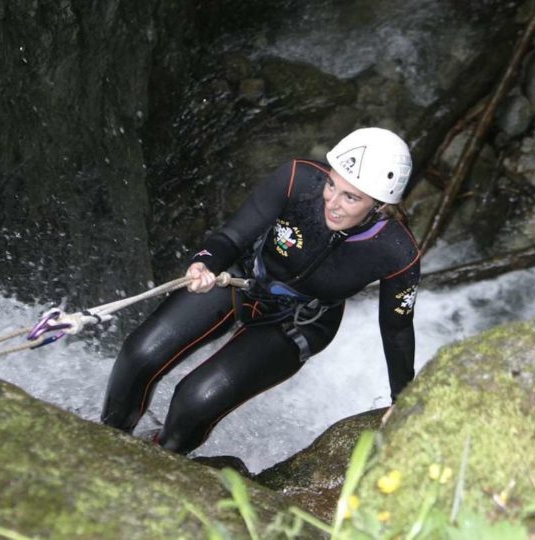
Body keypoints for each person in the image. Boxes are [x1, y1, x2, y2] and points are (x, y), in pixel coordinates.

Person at [101, 127, 421, 454]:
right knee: (139, 355)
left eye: (350, 197)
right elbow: (232, 236)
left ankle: (158, 457)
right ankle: (107, 442)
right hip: (245, 276)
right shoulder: (298, 179)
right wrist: (205, 263)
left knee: (196, 399)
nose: (332, 204)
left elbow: (396, 329)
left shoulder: (396, 252)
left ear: (379, 206)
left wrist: (402, 399)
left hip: (299, 323)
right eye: (331, 184)